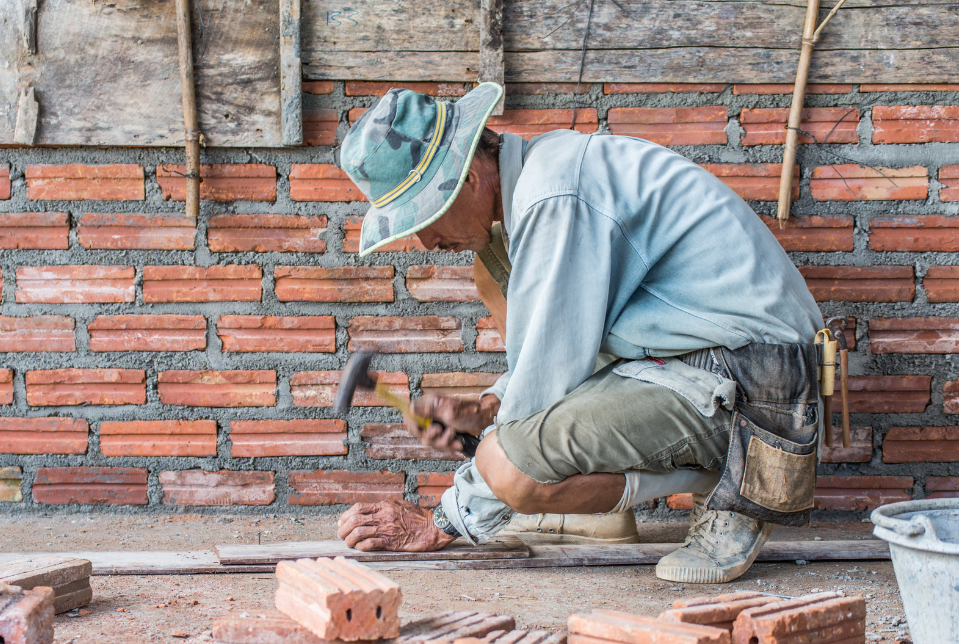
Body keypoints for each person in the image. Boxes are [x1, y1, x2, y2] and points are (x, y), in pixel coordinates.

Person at [334, 83, 825, 584]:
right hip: (695, 359)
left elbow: (543, 389)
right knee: (493, 274)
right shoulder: (542, 177)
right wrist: (486, 408)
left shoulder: (553, 196)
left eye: (427, 215)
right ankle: (611, 505)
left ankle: (741, 483)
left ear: (470, 175)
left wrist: (445, 520)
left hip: (760, 385)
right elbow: (557, 344)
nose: (427, 240)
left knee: (508, 468)